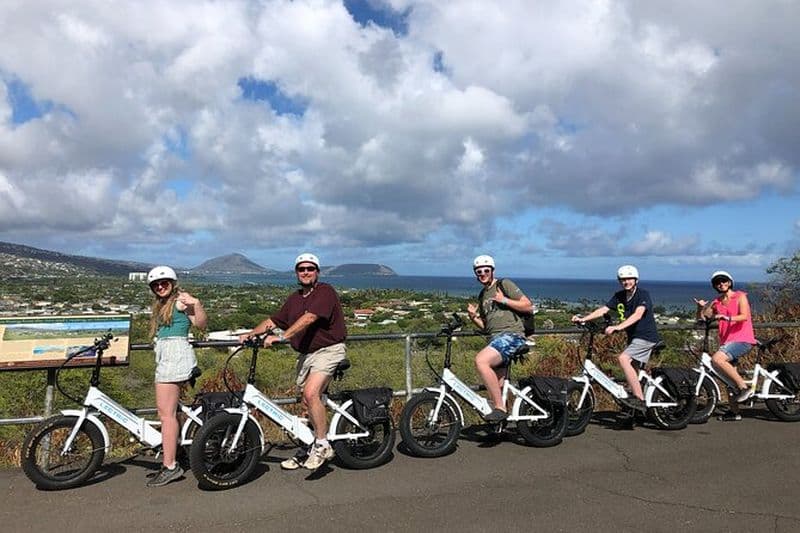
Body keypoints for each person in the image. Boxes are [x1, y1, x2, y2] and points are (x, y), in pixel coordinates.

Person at [241, 253, 347, 470]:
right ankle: (308, 447)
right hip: (306, 355)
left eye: (310, 268)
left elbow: (310, 317)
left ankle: (322, 445)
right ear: (296, 273)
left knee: (311, 393)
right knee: (306, 403)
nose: (306, 272)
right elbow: (273, 320)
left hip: (328, 350)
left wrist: (282, 337)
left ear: (317, 272)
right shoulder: (295, 298)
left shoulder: (325, 291)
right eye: (301, 269)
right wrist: (251, 334)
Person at [146, 265, 206, 487]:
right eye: (156, 285)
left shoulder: (181, 300)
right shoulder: (161, 304)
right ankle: (177, 450)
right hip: (168, 356)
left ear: (172, 283)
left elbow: (200, 324)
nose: (160, 287)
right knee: (172, 411)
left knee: (166, 414)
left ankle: (170, 466)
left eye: (164, 283)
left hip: (175, 357)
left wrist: (196, 304)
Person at [571, 265, 661, 413]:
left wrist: (618, 327)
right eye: (623, 279)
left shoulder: (642, 295)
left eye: (629, 279)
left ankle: (639, 401)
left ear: (636, 280)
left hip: (645, 336)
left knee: (623, 359)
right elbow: (604, 309)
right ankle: (635, 410)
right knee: (633, 370)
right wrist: (584, 319)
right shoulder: (620, 296)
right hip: (634, 337)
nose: (626, 282)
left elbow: (638, 314)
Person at [467, 255, 535, 422]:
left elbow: (528, 306)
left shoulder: (504, 284)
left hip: (511, 336)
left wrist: (503, 300)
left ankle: (500, 408)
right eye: (479, 272)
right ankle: (500, 423)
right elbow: (486, 326)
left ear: (492, 271)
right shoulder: (483, 295)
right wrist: (473, 317)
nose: (482, 274)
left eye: (486, 270)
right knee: (498, 386)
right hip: (495, 340)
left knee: (481, 361)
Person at [693, 270, 757, 421]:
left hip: (742, 339)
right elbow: (703, 318)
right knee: (727, 377)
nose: (721, 284)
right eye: (718, 282)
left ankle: (744, 388)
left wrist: (726, 317)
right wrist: (700, 307)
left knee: (717, 359)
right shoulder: (717, 302)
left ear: (729, 282)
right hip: (727, 342)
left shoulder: (740, 296)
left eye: (724, 281)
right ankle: (734, 412)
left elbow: (744, 316)